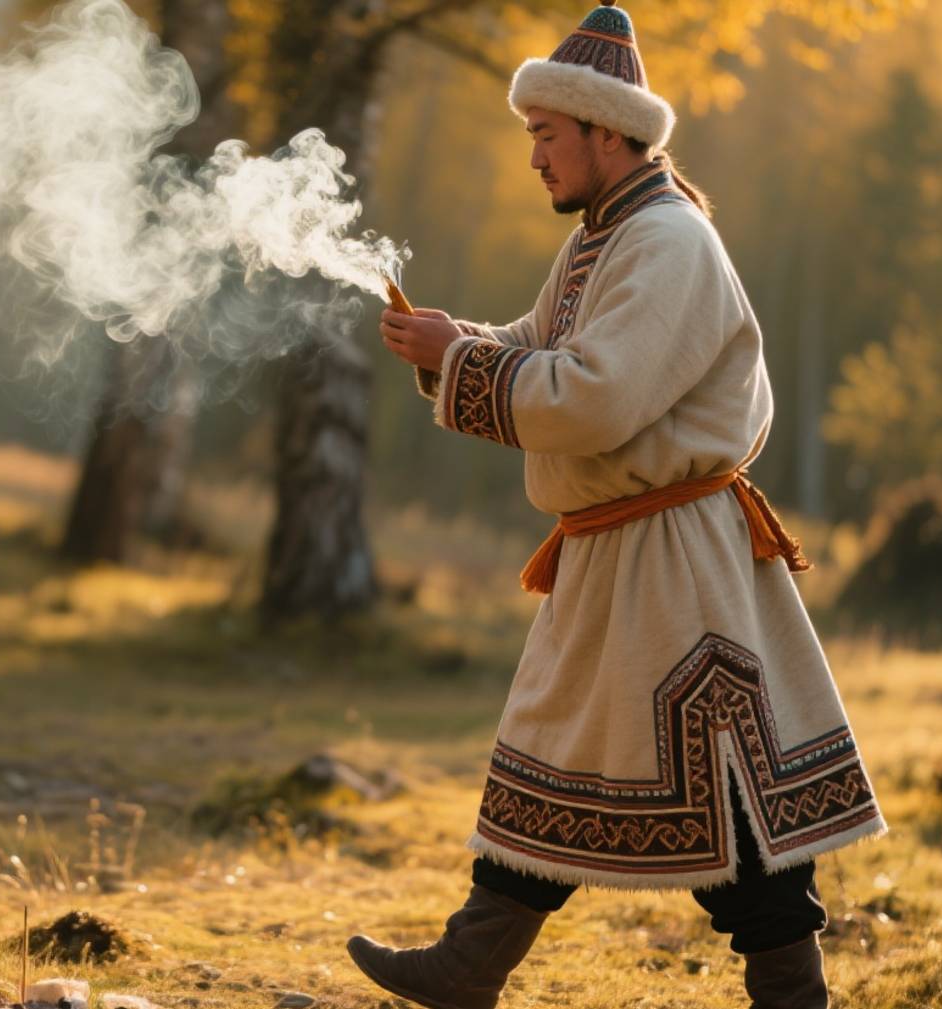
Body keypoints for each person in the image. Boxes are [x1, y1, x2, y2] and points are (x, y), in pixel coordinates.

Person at [349, 4, 886, 1008]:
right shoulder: (607, 234)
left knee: (722, 780)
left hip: (677, 558)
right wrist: (457, 337)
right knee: (555, 750)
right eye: (533, 139)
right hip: (618, 550)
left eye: (548, 138)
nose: (537, 159)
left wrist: (461, 362)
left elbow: (594, 395)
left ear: (606, 133)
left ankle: (793, 993)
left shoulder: (667, 240)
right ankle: (471, 965)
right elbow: (543, 341)